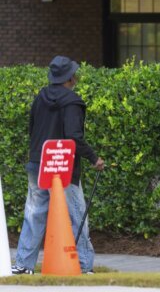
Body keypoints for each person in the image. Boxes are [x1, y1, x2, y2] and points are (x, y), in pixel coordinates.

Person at [11, 55, 105, 275]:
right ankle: (83, 266)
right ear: (70, 78)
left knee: (34, 214)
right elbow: (74, 137)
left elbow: (32, 129)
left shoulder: (40, 97)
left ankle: (24, 265)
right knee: (75, 215)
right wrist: (94, 158)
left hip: (38, 163)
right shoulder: (72, 102)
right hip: (64, 168)